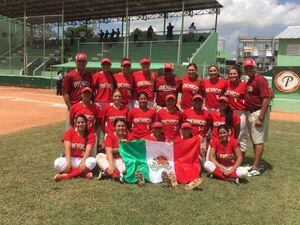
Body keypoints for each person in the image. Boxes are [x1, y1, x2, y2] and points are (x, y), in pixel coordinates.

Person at [243, 58, 270, 176]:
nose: (248, 69)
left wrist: (261, 117)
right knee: (255, 139)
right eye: (246, 68)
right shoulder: (250, 80)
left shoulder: (260, 79)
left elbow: (266, 99)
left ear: (255, 68)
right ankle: (256, 163)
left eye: (250, 67)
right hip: (251, 112)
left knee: (258, 141)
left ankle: (256, 167)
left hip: (258, 112)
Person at [53, 114, 97, 181]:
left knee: (93, 161)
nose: (80, 124)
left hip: (82, 159)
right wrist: (68, 162)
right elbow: (67, 148)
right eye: (78, 122)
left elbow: (88, 151)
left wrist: (82, 162)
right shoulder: (70, 132)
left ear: (86, 123)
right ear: (75, 123)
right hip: (71, 158)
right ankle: (83, 174)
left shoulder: (90, 135)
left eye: (82, 122)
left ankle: (67, 176)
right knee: (57, 162)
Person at [62, 53, 93, 130]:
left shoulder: (89, 75)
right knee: (71, 131)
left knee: (86, 130)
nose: (81, 63)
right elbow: (65, 93)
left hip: (86, 107)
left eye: (83, 61)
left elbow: (91, 91)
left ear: (86, 63)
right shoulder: (70, 75)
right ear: (75, 62)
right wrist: (71, 108)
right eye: (79, 61)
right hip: (74, 106)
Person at [69, 87, 102, 157]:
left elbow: (98, 121)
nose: (87, 95)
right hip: (79, 133)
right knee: (77, 153)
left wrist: (93, 130)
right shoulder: (75, 107)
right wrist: (77, 129)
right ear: (81, 95)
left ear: (91, 95)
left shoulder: (96, 107)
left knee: (92, 155)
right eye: (85, 93)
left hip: (91, 133)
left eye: (88, 94)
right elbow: (71, 121)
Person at [225, 65, 248, 157]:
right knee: (229, 134)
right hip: (229, 112)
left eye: (235, 73)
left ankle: (240, 159)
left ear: (239, 74)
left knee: (240, 136)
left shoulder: (244, 85)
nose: (232, 75)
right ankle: (229, 155)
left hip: (240, 112)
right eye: (230, 74)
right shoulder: (227, 84)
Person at [96, 118, 127, 183]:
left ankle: (108, 173)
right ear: (115, 127)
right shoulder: (110, 136)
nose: (121, 128)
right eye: (118, 126)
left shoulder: (128, 136)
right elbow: (109, 152)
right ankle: (115, 174)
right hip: (111, 160)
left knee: (130, 161)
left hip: (122, 162)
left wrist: (127, 144)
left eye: (123, 126)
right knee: (99, 156)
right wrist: (112, 166)